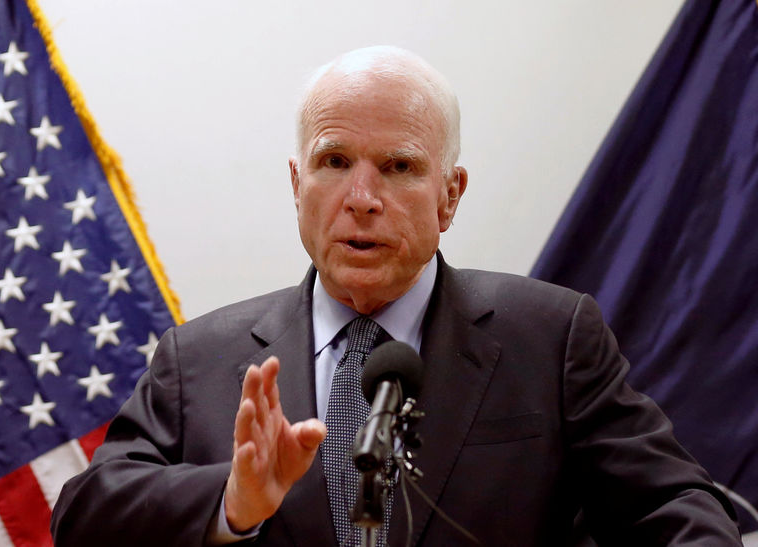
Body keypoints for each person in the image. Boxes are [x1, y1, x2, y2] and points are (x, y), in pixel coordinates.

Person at [50, 46, 742, 546]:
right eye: (334, 161)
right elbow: (85, 514)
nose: (361, 199)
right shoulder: (198, 358)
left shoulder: (554, 337)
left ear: (450, 195)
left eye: (399, 167)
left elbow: (676, 508)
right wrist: (232, 501)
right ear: (298, 186)